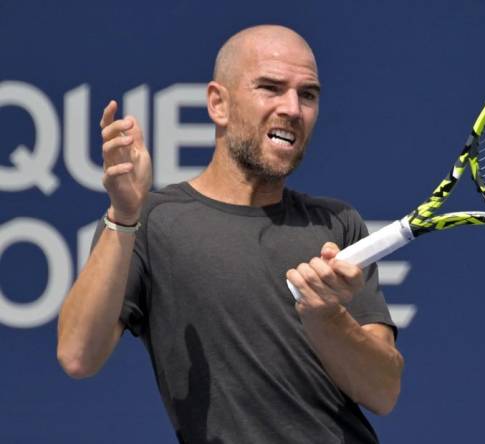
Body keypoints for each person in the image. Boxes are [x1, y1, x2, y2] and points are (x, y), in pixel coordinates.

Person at [56, 25, 404, 444]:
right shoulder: (150, 220)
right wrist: (124, 214)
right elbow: (78, 355)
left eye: (307, 94)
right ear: (218, 104)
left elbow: (383, 392)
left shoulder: (337, 223)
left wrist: (327, 316)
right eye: (271, 88)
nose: (292, 108)